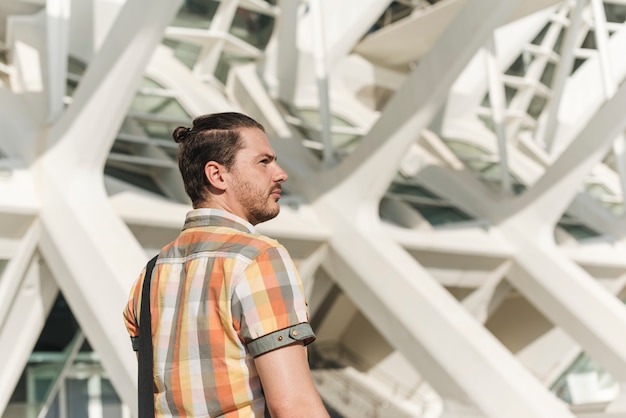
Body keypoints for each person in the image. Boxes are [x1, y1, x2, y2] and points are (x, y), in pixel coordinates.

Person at [123, 112, 329, 417]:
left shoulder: (150, 275)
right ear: (218, 175)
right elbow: (293, 405)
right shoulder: (258, 259)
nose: (281, 173)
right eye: (264, 162)